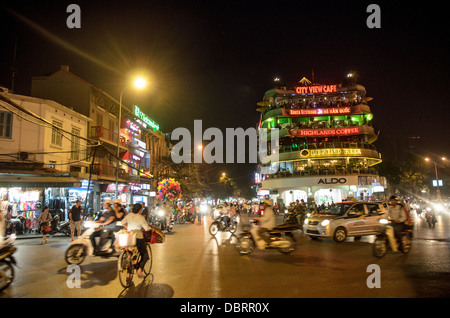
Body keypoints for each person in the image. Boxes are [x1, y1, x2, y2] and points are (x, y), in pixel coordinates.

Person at [121, 203, 151, 278]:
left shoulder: (129, 215)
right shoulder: (141, 217)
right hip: (138, 237)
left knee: (130, 254)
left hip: (129, 236)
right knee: (145, 255)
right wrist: (149, 229)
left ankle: (128, 274)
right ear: (140, 210)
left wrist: (128, 228)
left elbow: (122, 223)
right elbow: (146, 228)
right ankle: (140, 270)